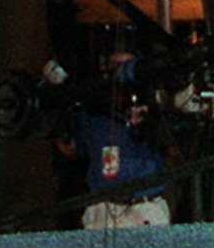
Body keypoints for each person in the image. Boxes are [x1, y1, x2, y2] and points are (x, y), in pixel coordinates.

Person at [56, 52, 172, 229]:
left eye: (126, 68)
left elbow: (171, 147)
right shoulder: (92, 111)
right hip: (103, 208)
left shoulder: (150, 109)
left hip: (144, 208)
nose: (120, 75)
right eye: (114, 68)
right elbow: (71, 149)